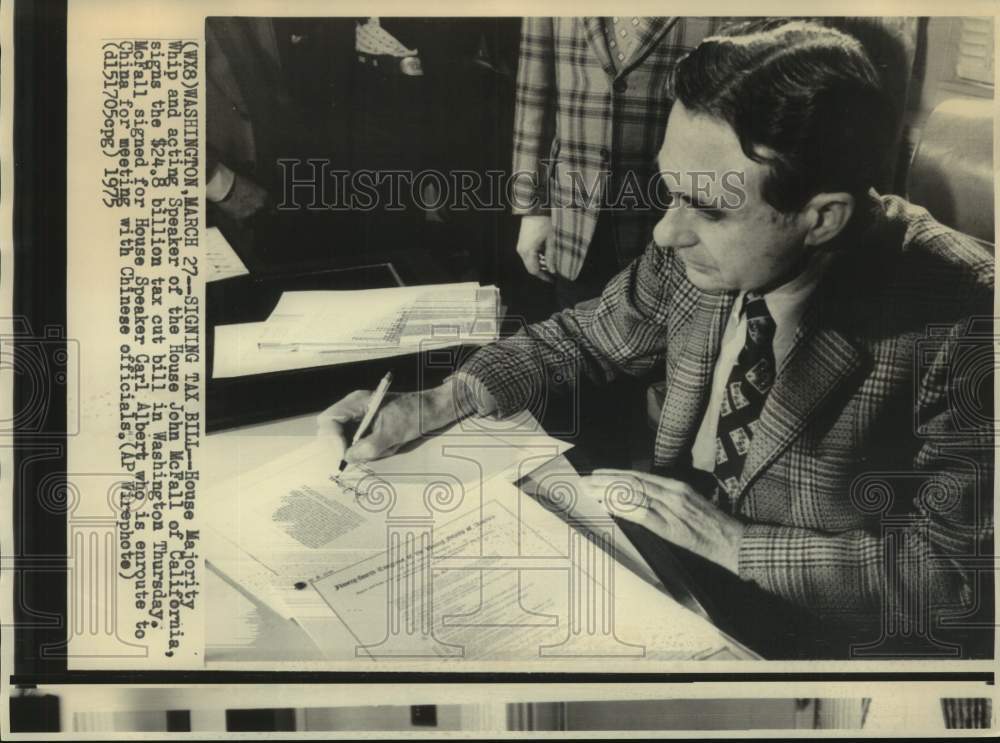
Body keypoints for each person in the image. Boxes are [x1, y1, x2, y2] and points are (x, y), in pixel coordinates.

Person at [319, 21, 994, 658]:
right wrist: (437, 400)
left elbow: (959, 578)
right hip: (655, 577)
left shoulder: (968, 320)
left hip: (809, 639)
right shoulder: (702, 246)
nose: (666, 233)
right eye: (670, 191)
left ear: (822, 218)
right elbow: (578, 338)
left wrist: (728, 540)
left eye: (706, 208)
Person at [510, 17, 735, 308]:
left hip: (673, 215)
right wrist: (532, 208)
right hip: (574, 217)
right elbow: (534, 92)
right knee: (579, 336)